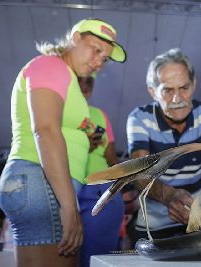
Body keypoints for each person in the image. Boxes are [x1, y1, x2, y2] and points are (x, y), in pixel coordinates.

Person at [0, 19, 126, 267]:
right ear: (75, 38)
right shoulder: (50, 65)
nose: (100, 61)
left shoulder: (67, 78)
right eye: (96, 49)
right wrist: (69, 206)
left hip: (47, 187)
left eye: (105, 58)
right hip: (41, 184)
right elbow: (44, 130)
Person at [126, 48, 201, 240]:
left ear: (194, 84)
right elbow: (139, 174)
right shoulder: (139, 118)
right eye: (167, 90)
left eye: (184, 88)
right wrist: (168, 196)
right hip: (155, 213)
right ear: (152, 92)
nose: (177, 99)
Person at [77, 76, 124, 267]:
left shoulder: (99, 115)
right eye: (79, 82)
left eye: (89, 84)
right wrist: (82, 146)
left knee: (97, 257)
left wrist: (125, 183)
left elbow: (112, 158)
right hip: (68, 188)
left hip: (100, 189)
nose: (85, 88)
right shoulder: (57, 114)